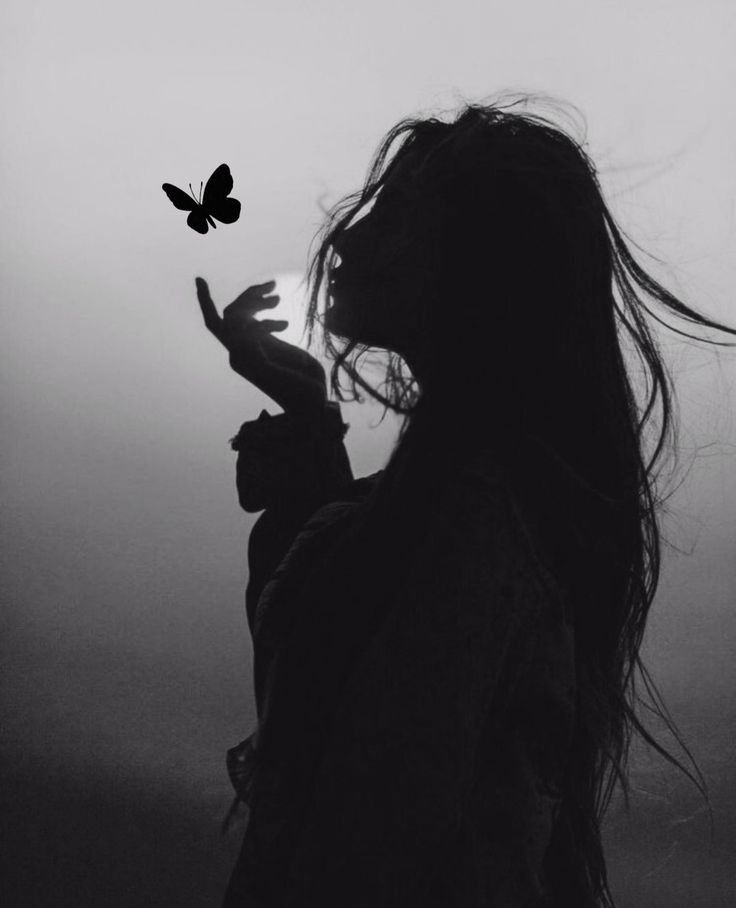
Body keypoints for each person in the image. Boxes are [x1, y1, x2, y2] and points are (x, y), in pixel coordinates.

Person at [196, 92, 735, 907]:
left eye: (396, 211)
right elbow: (352, 679)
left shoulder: (478, 524)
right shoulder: (459, 501)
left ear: (475, 266)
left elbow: (368, 820)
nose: (348, 233)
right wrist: (310, 419)